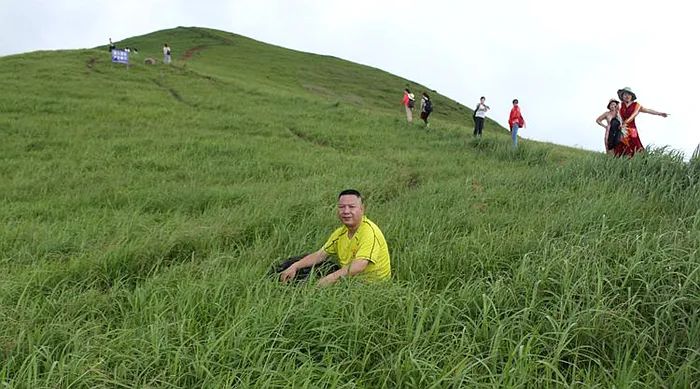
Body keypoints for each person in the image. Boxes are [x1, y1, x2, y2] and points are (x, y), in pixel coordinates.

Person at [278, 189, 391, 286]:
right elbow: (320, 255)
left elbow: (359, 266)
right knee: (298, 263)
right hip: (349, 279)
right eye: (342, 207)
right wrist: (295, 266)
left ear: (362, 209)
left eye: (351, 207)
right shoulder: (340, 233)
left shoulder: (369, 231)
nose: (346, 211)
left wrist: (329, 279)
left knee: (316, 283)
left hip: (369, 285)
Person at [614, 87, 669, 157]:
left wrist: (660, 113)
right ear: (622, 96)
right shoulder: (620, 105)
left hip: (632, 128)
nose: (627, 96)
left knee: (635, 142)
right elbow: (615, 115)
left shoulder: (636, 106)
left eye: (629, 94)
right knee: (621, 144)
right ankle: (622, 159)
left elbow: (648, 110)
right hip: (621, 127)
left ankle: (641, 158)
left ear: (631, 96)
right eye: (625, 94)